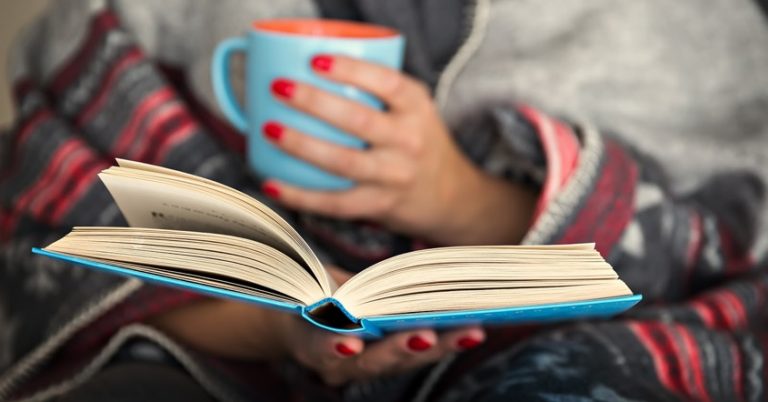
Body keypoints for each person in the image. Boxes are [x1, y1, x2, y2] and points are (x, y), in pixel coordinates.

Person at [1, 0, 767, 401]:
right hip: (221, 358)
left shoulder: (678, 22)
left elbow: (738, 226)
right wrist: (281, 325)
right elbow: (61, 212)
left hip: (591, 339)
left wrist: (459, 198)